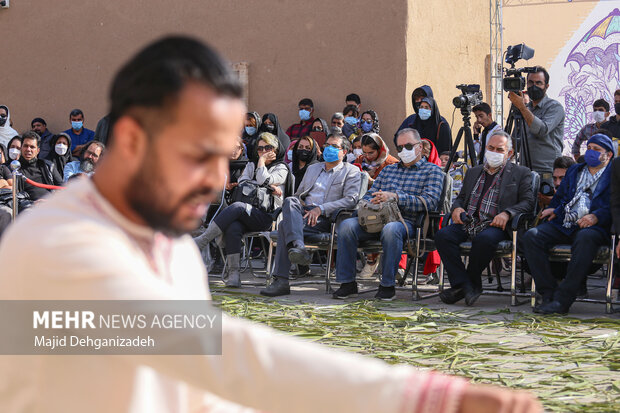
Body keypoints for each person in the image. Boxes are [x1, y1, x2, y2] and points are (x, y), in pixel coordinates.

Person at [0, 36, 541, 413]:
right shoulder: (59, 244)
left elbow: (191, 391)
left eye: (226, 154)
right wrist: (420, 399)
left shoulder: (172, 251)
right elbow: (217, 353)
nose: (218, 178)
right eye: (200, 153)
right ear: (134, 140)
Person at [333, 128, 444, 300]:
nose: (403, 151)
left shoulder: (433, 171)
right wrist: (372, 201)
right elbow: (369, 195)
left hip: (408, 222)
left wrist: (396, 198)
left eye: (408, 146)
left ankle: (387, 284)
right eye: (399, 148)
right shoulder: (388, 170)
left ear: (420, 147)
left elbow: (430, 202)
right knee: (347, 225)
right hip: (377, 219)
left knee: (391, 229)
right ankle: (347, 283)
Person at [435, 131, 534, 306]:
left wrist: (508, 213)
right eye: (490, 148)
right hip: (469, 220)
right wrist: (457, 208)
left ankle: (467, 284)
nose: (494, 152)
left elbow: (528, 202)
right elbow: (461, 197)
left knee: (484, 240)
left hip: (496, 224)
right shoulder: (474, 172)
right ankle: (465, 284)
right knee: (443, 235)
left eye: (499, 149)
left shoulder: (521, 173)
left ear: (509, 153)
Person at [260, 133, 362, 297]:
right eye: (326, 145)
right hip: (304, 213)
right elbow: (299, 195)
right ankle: (299, 246)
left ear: (344, 151)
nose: (328, 148)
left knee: (283, 227)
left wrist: (321, 208)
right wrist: (303, 206)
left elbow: (351, 200)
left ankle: (281, 281)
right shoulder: (313, 168)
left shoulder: (351, 171)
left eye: (334, 146)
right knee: (290, 201)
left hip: (327, 218)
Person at [522, 134, 613, 315]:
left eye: (597, 150)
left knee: (585, 237)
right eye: (589, 148)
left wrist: (596, 216)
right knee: (532, 236)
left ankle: (563, 300)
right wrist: (554, 209)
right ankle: (548, 293)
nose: (591, 152)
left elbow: (614, 204)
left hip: (595, 226)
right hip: (566, 222)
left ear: (608, 155)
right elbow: (561, 196)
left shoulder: (614, 174)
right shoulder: (576, 170)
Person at [194, 132, 289, 287]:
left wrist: (262, 163)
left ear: (276, 150)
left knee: (237, 207)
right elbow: (243, 182)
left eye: (268, 148)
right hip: (248, 213)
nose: (263, 151)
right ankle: (234, 274)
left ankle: (203, 240)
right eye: (260, 149)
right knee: (233, 227)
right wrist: (265, 185)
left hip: (268, 216)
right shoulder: (251, 165)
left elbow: (262, 179)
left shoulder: (281, 168)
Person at [508, 66, 565, 186]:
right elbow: (514, 143)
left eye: (538, 83)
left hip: (548, 173)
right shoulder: (525, 109)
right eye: (531, 82)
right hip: (525, 171)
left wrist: (522, 107)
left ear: (546, 86)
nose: (534, 86)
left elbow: (541, 130)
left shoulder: (554, 107)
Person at [17, 131, 63, 201]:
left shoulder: (48, 166)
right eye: (25, 146)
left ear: (38, 151)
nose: (28, 149)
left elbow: (61, 187)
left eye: (32, 147)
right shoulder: (14, 168)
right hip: (26, 208)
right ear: (21, 148)